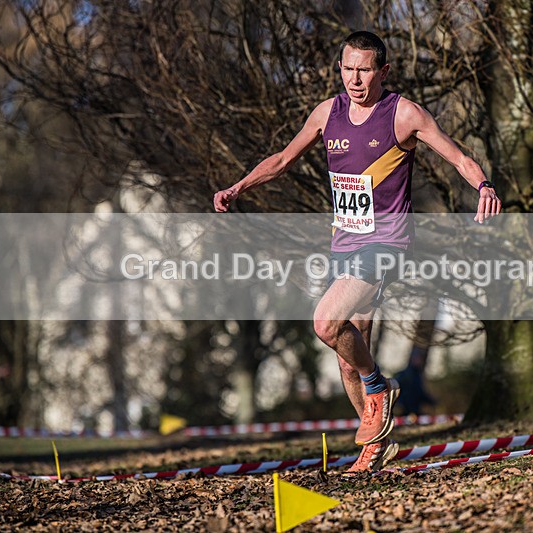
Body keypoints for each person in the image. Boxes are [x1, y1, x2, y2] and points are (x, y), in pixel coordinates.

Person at [214, 31, 501, 474]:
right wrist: (239, 186)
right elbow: (282, 160)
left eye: (364, 69)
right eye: (348, 68)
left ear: (383, 71)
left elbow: (458, 157)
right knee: (348, 358)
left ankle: (380, 388)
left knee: (326, 322)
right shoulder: (327, 113)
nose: (355, 79)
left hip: (386, 245)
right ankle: (376, 448)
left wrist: (483, 185)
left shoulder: (403, 114)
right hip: (343, 245)